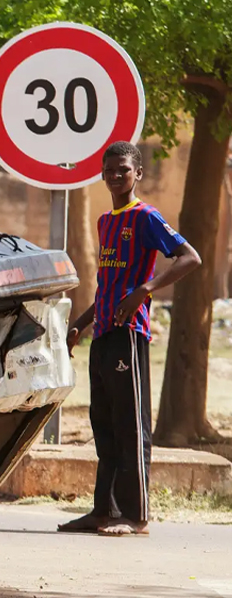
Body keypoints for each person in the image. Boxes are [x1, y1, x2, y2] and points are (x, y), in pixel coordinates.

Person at [58, 141, 201, 537]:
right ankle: (102, 510)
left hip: (129, 333)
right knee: (102, 425)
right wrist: (81, 324)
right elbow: (107, 284)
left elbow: (191, 257)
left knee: (131, 426)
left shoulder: (147, 217)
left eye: (123, 169)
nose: (116, 176)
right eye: (109, 171)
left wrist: (147, 289)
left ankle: (136, 516)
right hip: (102, 333)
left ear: (137, 173)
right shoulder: (105, 221)